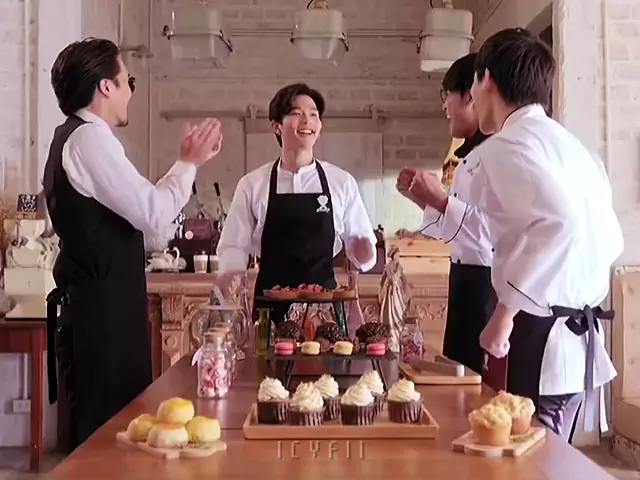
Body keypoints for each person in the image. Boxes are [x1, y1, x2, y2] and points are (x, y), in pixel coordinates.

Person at [43, 38, 223, 450]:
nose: (130, 91)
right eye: (129, 81)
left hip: (98, 309)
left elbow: (146, 220)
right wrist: (188, 163)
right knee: (109, 440)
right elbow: (154, 214)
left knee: (110, 435)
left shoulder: (71, 137)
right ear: (106, 86)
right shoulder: (90, 139)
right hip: (102, 317)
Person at [468, 27, 623, 440]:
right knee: (550, 459)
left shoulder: (507, 145)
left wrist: (504, 314)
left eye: (472, 86)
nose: (471, 97)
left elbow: (560, 223)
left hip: (543, 340)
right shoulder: (574, 146)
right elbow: (611, 239)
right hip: (578, 338)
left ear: (487, 79)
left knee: (528, 459)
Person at [217, 83, 377, 325]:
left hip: (324, 315)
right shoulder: (252, 184)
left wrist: (363, 251)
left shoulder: (341, 182)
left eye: (313, 114)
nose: (307, 120)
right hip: (269, 313)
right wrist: (229, 291)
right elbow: (233, 248)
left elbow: (364, 251)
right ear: (276, 126)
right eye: (296, 113)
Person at [395, 53, 494, 375]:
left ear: (470, 95)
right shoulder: (470, 156)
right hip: (464, 281)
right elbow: (459, 230)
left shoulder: (501, 154)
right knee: (460, 377)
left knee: (481, 384)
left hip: (490, 288)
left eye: (446, 95)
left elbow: (491, 234)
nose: (444, 107)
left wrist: (439, 200)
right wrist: (424, 199)